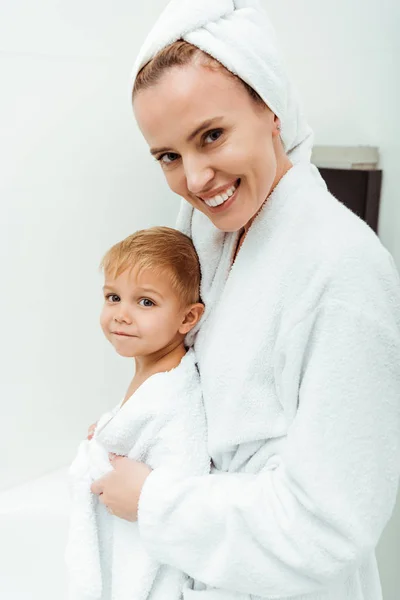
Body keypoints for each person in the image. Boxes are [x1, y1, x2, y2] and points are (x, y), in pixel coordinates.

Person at [90, 1, 400, 599]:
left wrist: (155, 500)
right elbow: (189, 376)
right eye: (169, 157)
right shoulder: (212, 234)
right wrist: (131, 432)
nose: (197, 178)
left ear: (271, 107)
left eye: (212, 135)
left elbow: (331, 524)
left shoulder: (344, 268)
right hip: (207, 566)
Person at [66, 226, 209, 600]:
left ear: (187, 318)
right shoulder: (154, 376)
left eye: (145, 302)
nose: (121, 315)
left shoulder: (178, 396)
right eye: (113, 297)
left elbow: (181, 489)